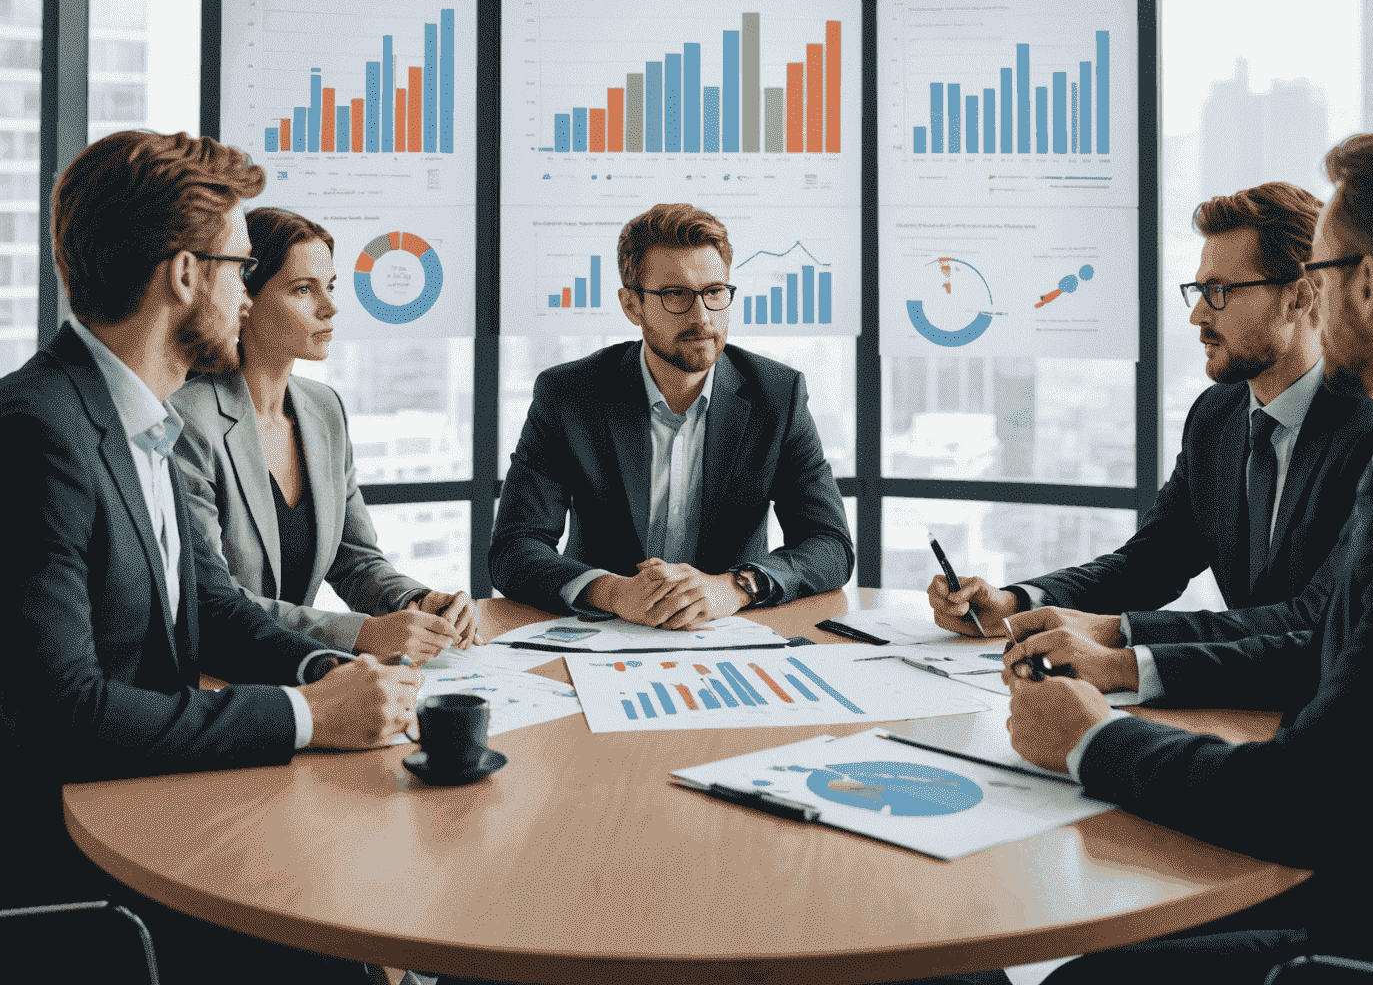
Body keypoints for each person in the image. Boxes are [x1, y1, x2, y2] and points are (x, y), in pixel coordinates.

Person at [1006, 124, 1373, 982]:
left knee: (1083, 973)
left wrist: (1088, 742)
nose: (1314, 305)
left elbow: (1307, 801)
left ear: (1362, 285)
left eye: (1319, 277)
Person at [4, 130, 422, 985]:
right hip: (91, 867)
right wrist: (310, 718)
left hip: (162, 803)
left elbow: (212, 607)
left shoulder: (140, 418)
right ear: (186, 275)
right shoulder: (40, 430)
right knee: (360, 934)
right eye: (240, 267)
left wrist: (335, 677)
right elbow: (65, 713)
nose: (244, 295)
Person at [928, 184, 1373, 675]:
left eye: (1219, 292)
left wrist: (1119, 636)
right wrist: (1017, 604)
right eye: (1199, 291)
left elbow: (1316, 619)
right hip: (1230, 705)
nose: (1198, 315)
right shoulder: (1217, 417)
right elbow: (1151, 563)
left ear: (1298, 297)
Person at [489, 202, 853, 623]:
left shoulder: (777, 395)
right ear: (632, 305)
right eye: (675, 294)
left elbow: (829, 544)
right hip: (604, 633)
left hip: (730, 631)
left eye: (714, 292)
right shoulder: (569, 395)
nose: (702, 317)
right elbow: (515, 548)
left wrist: (735, 586)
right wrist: (612, 591)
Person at [171, 207, 480, 658]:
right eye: (303, 290)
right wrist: (359, 635)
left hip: (304, 668)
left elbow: (354, 560)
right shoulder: (188, 420)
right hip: (219, 674)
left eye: (330, 287)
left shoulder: (324, 409)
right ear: (245, 298)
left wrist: (417, 600)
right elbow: (213, 603)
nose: (330, 307)